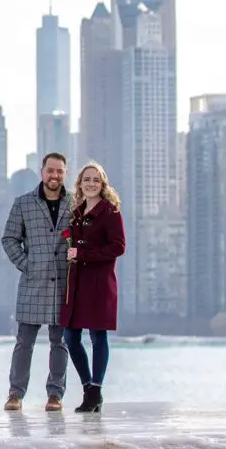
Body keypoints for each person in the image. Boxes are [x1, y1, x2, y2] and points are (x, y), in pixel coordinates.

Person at [0, 152, 72, 411]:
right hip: (33, 283)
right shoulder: (23, 203)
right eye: (50, 170)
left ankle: (55, 395)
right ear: (42, 171)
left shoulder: (75, 203)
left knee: (60, 342)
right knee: (24, 342)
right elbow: (9, 239)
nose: (54, 175)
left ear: (65, 173)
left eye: (59, 171)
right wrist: (26, 264)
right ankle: (15, 394)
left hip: (63, 284)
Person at [60, 161, 126, 413]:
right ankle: (88, 387)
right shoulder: (76, 212)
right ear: (79, 183)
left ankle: (95, 389)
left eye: (96, 180)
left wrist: (84, 253)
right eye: (86, 179)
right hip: (76, 283)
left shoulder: (110, 211)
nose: (91, 183)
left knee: (98, 336)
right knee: (70, 336)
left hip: (99, 282)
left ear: (103, 184)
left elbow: (118, 246)